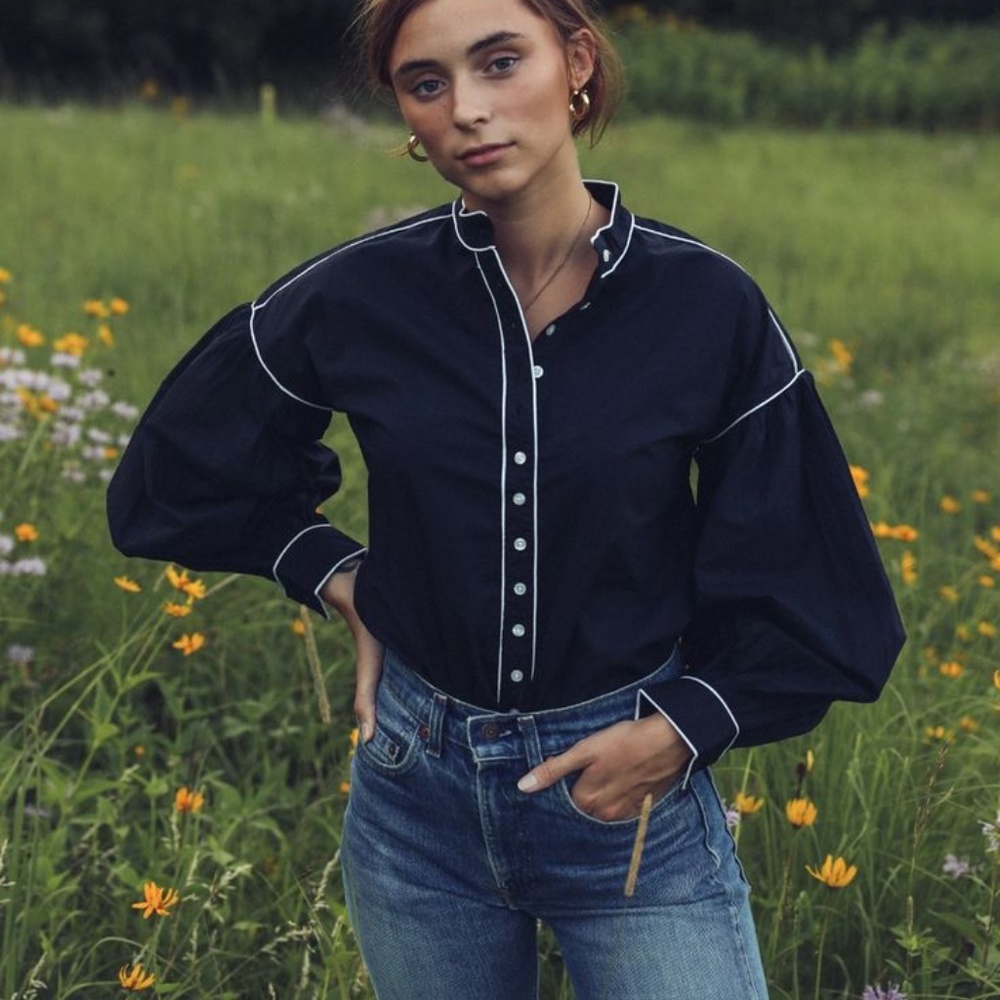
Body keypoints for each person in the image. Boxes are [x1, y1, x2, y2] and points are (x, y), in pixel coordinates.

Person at [107, 0, 905, 996]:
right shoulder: (360, 293)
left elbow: (814, 577)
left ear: (576, 64)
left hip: (630, 809)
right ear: (406, 116)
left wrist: (682, 730)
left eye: (499, 62)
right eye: (427, 83)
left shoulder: (707, 305)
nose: (467, 109)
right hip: (414, 801)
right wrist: (337, 575)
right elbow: (178, 471)